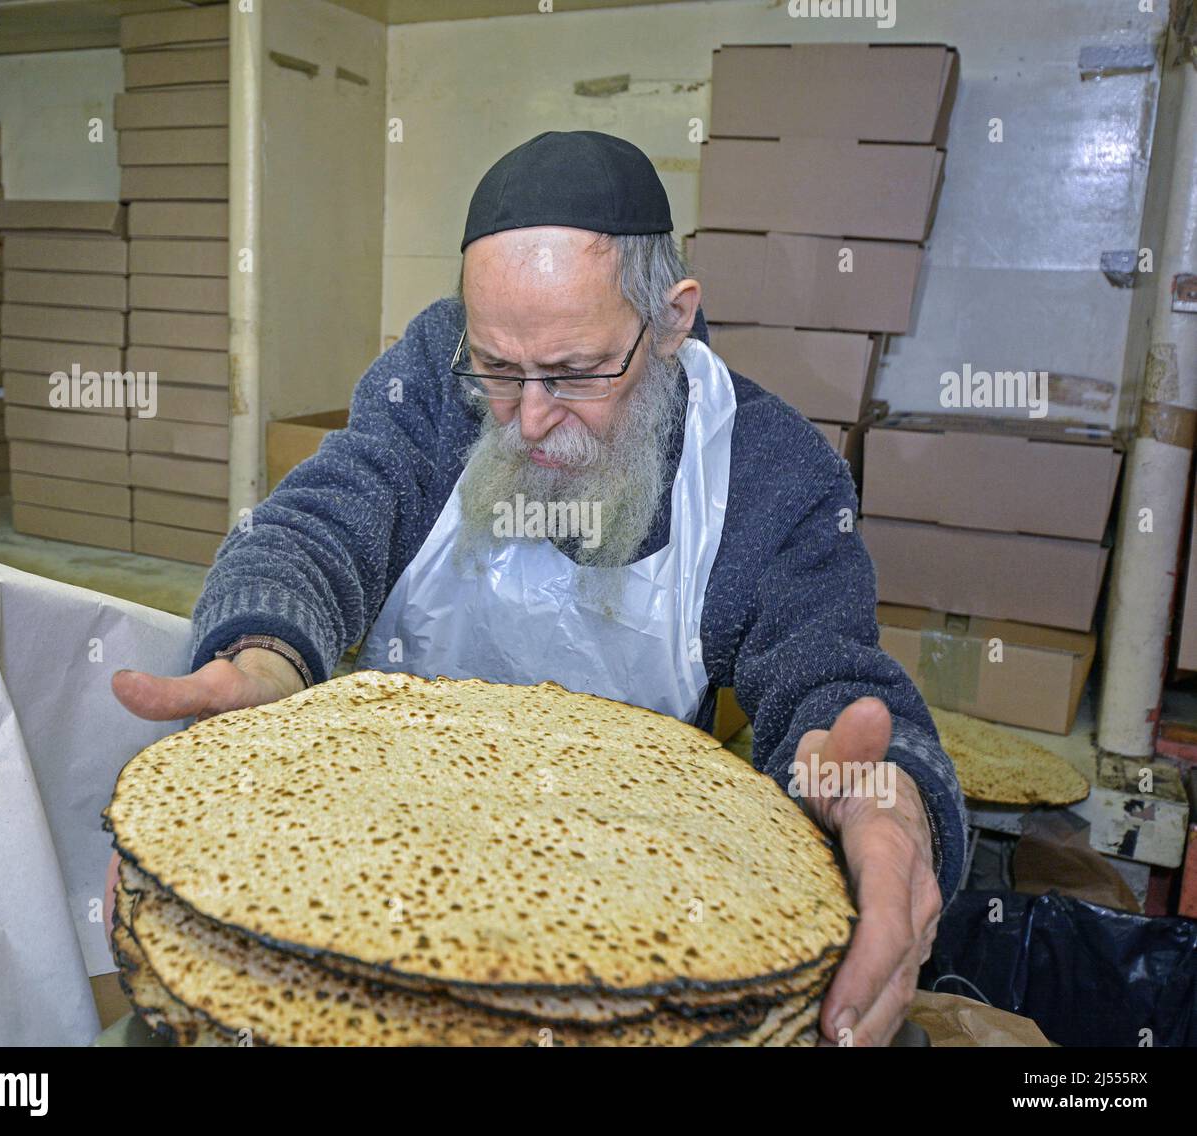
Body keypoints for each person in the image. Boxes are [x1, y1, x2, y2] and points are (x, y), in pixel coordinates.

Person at [111, 130, 966, 1046]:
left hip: (623, 893)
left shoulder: (768, 470)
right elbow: (323, 518)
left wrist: (882, 791)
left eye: (575, 372)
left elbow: (827, 674)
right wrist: (269, 651)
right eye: (499, 370)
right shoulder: (433, 379)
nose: (527, 418)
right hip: (387, 842)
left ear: (672, 320)